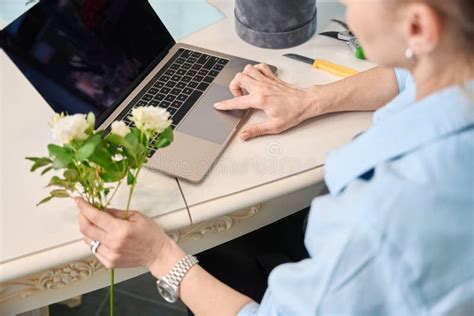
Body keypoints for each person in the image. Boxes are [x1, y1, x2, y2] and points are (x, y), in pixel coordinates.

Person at [76, 0, 474, 314]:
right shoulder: (458, 58)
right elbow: (410, 74)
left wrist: (159, 255)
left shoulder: (379, 222)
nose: (344, 5)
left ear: (419, 26)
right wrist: (311, 100)